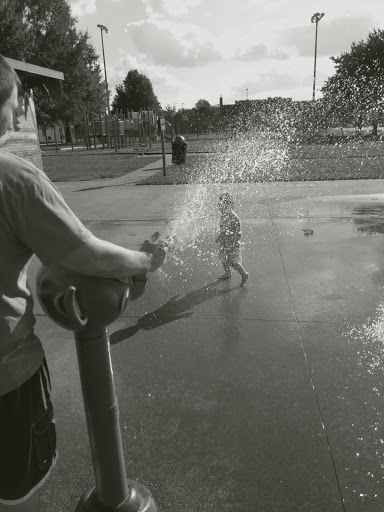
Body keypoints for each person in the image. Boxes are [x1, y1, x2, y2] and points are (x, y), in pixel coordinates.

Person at [0, 55, 168, 512]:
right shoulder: (12, 176)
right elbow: (83, 254)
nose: (19, 113)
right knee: (17, 493)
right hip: (7, 374)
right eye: (15, 102)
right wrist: (141, 261)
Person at [215, 192, 249, 286]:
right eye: (219, 206)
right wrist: (220, 236)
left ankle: (244, 274)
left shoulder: (234, 217)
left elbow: (238, 231)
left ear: (228, 206)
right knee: (223, 258)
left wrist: (236, 241)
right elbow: (223, 228)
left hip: (232, 243)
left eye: (221, 206)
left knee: (233, 261)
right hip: (224, 242)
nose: (219, 208)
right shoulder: (223, 215)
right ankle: (227, 273)